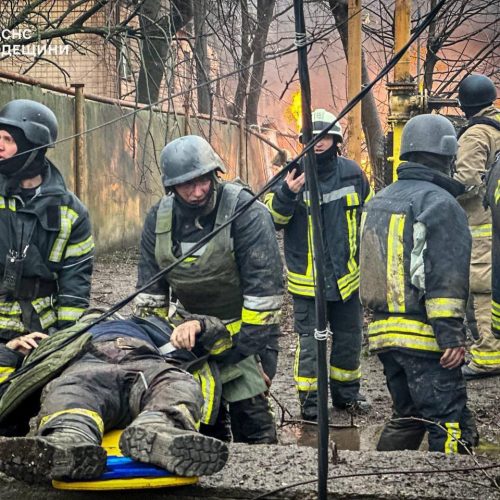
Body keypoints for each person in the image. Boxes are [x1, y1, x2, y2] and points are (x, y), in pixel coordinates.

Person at [135, 135, 283, 444]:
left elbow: (264, 297)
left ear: (215, 174)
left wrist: (251, 358)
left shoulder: (247, 213)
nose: (198, 191)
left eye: (203, 180)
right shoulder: (158, 220)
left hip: (246, 339)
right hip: (189, 338)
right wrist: (157, 353)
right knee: (199, 422)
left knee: (253, 423)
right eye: (187, 185)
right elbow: (150, 300)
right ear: (171, 187)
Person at [359, 114, 478, 453]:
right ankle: (450, 479)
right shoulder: (441, 204)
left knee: (408, 415)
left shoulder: (379, 199)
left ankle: (378, 476)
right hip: (426, 338)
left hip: (384, 336)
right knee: (448, 421)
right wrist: (451, 336)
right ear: (447, 155)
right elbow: (445, 276)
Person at [0, 311, 229, 483]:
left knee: (177, 384)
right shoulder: (58, 338)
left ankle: (158, 431)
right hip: (87, 368)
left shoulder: (154, 324)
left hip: (145, 363)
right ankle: (68, 442)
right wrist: (9, 351)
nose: (101, 313)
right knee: (67, 394)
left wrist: (198, 324)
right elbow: (8, 390)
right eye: (93, 313)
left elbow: (221, 342)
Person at [264, 109, 372, 420]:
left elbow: (369, 216)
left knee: (349, 340)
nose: (319, 142)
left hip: (346, 279)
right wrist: (287, 194)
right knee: (311, 346)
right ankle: (311, 405)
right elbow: (271, 221)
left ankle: (346, 397)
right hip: (308, 284)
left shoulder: (352, 173)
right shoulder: (291, 175)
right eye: (312, 137)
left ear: (336, 140)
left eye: (325, 136)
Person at [0, 99, 94, 342]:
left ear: (32, 146)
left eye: (8, 139)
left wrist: (63, 342)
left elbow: (75, 285)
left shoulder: (71, 212)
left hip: (43, 329)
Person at [454, 74, 500, 379]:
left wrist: (441, 187)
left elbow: (467, 181)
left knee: (483, 288)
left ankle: (488, 356)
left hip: (483, 225)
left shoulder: (476, 134)